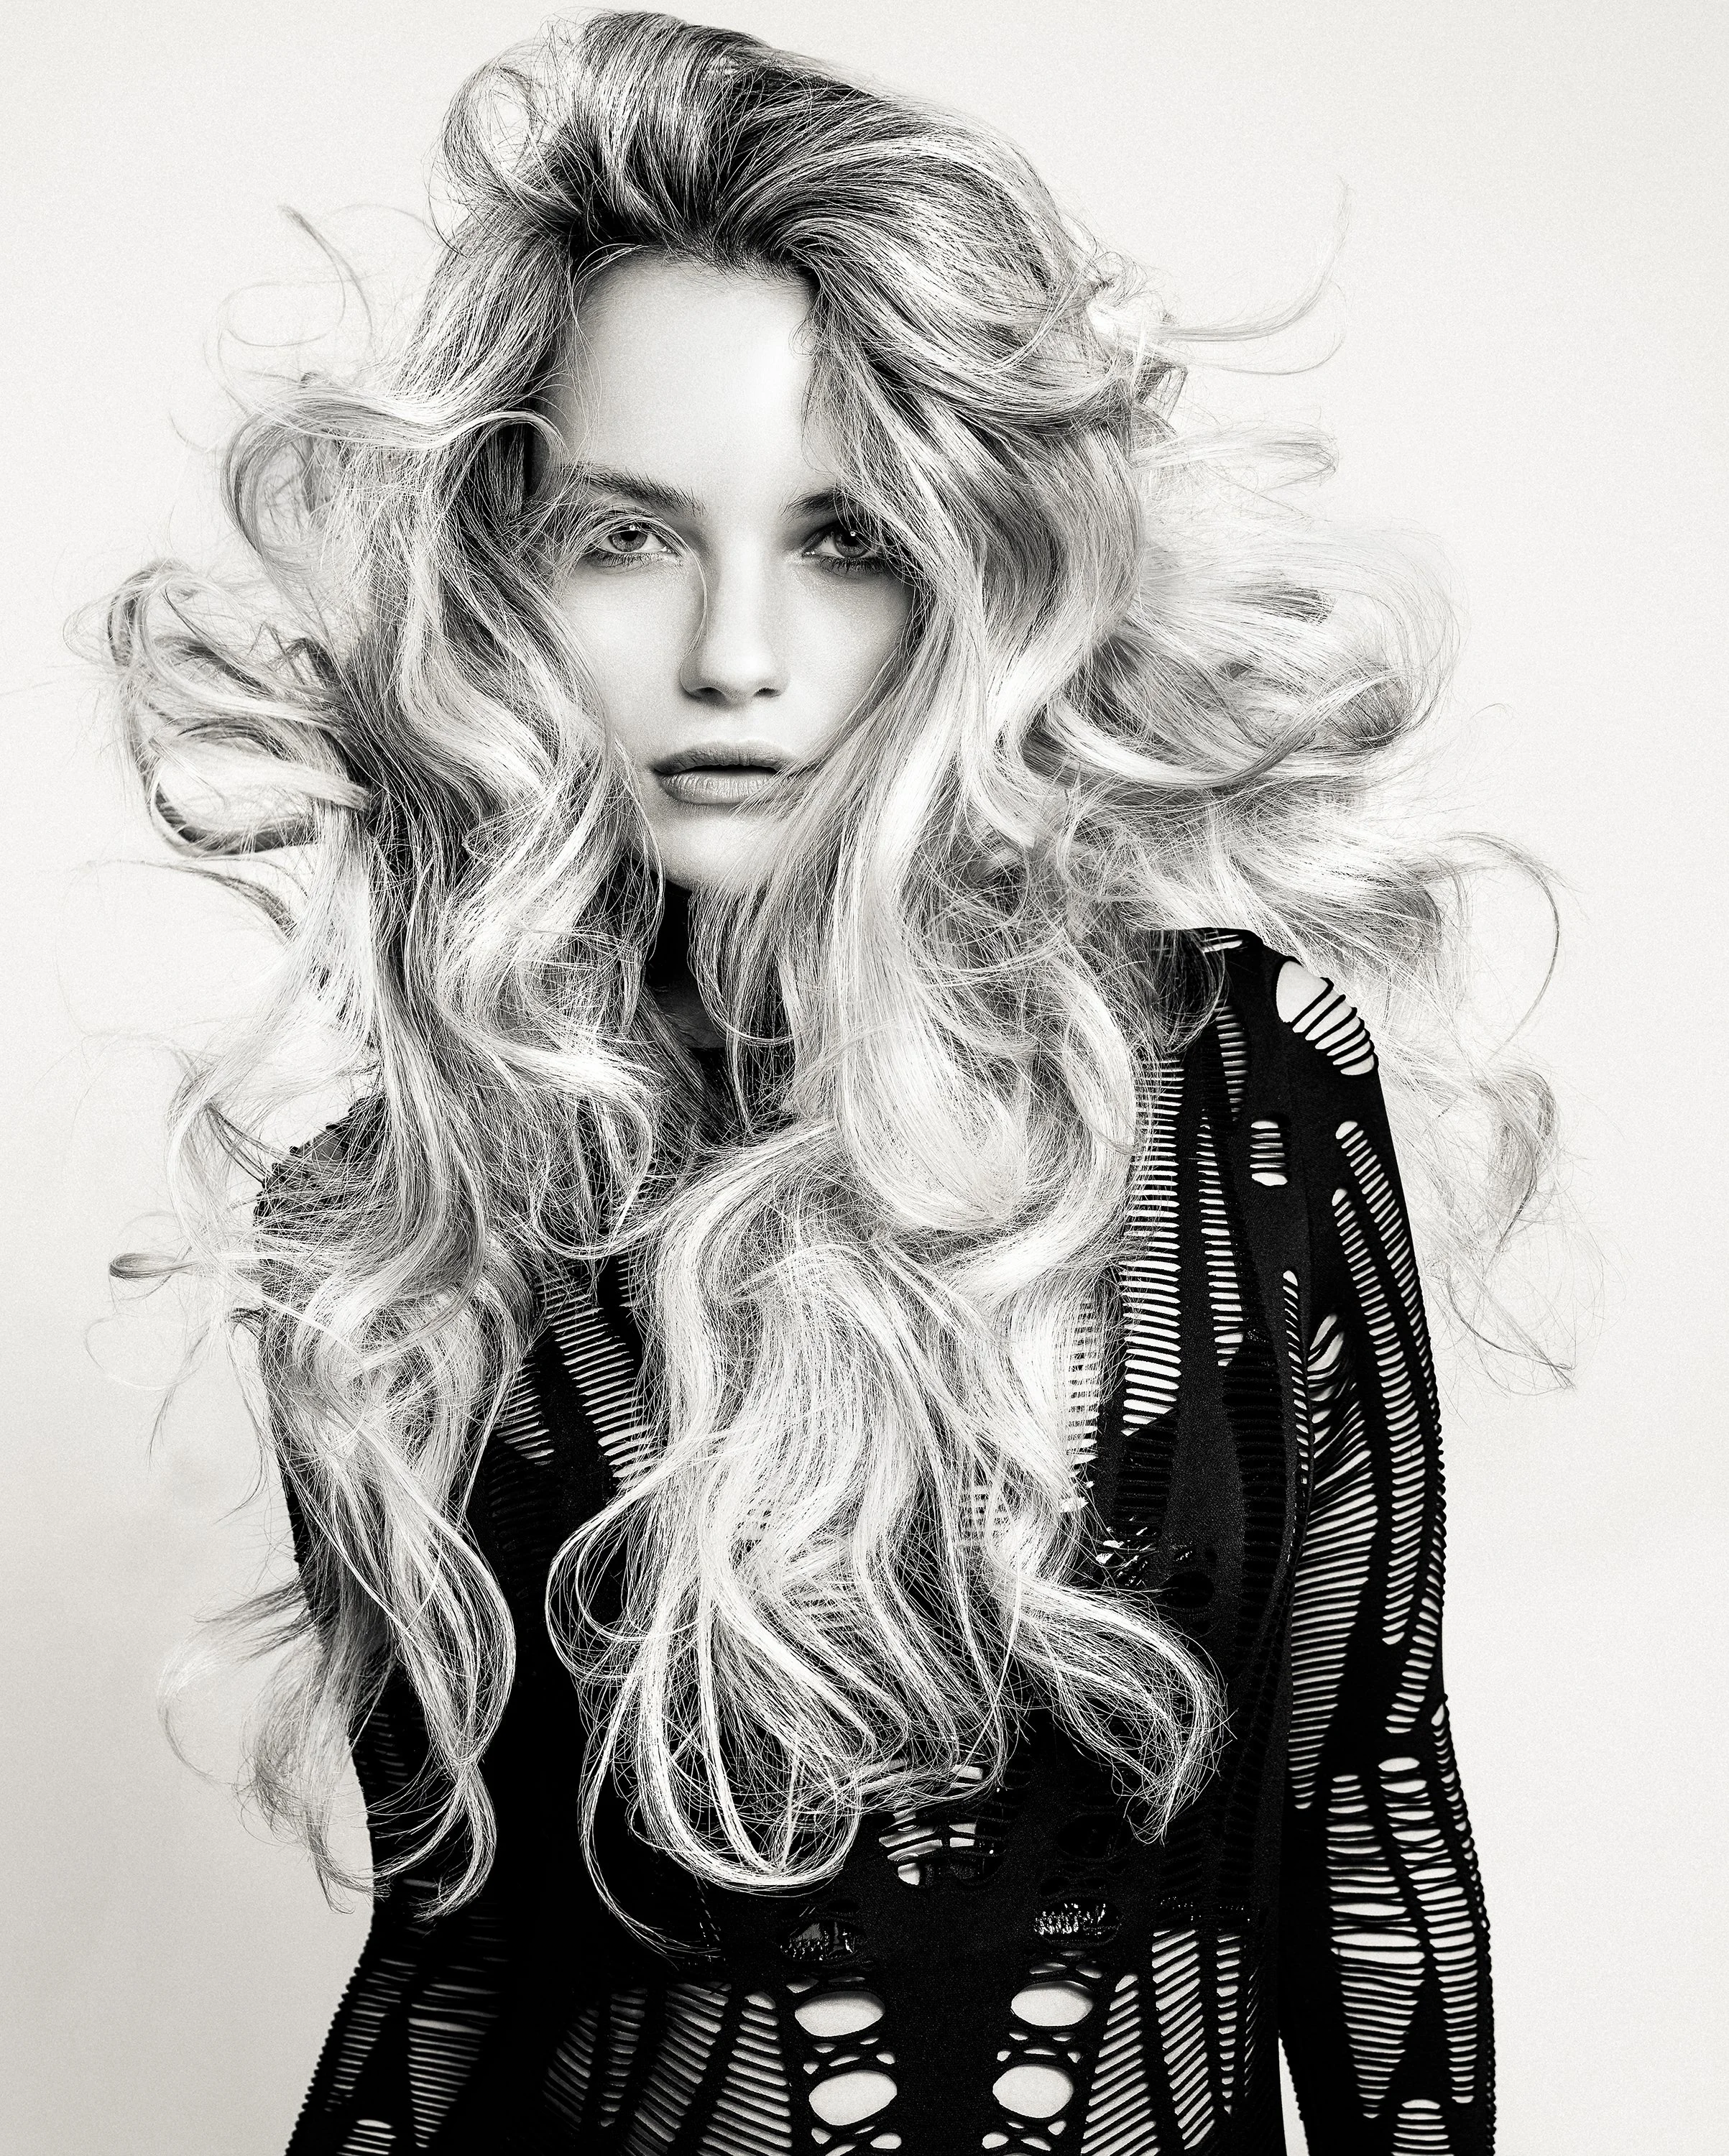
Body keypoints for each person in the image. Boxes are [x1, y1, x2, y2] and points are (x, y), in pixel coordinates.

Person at [105, 13, 1554, 2151]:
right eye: (624, 537)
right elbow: (452, 1954)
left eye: (848, 541)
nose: (735, 656)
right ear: (499, 575)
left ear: (981, 569)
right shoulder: (401, 1229)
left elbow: (1366, 1814)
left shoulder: (1252, 1100)